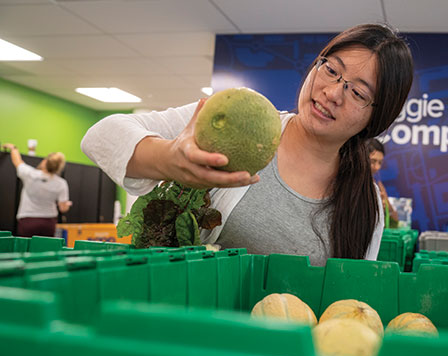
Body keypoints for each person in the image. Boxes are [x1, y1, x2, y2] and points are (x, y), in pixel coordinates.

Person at [81, 24, 414, 266]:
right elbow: (102, 135)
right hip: (187, 331)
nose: (332, 93)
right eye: (330, 69)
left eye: (357, 92)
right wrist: (168, 159)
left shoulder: (364, 202)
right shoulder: (242, 120)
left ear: (376, 117)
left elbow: (347, 304)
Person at [2, 143, 72, 237]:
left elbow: (17, 161)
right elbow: (63, 208)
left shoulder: (30, 174)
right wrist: (67, 204)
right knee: (45, 250)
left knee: (26, 249)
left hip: (28, 221)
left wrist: (13, 148)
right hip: (48, 223)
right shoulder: (61, 183)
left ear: (45, 162)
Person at [367, 139, 399, 225]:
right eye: (372, 161)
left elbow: (395, 222)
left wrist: (387, 208)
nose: (377, 167)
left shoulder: (377, 185)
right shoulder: (348, 184)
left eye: (380, 163)